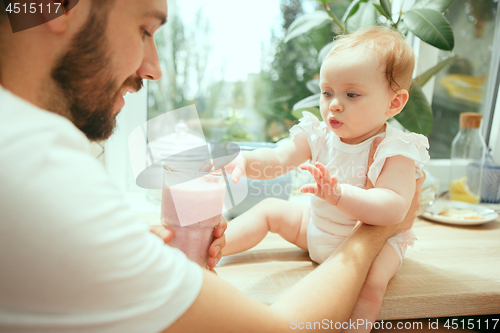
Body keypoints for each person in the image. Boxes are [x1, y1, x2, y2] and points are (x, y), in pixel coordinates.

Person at [0, 1, 424, 332]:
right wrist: (376, 231)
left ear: (393, 103)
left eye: (352, 95)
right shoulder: (37, 174)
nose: (155, 69)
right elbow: (278, 330)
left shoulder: (32, 153)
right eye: (144, 29)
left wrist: (147, 255)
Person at [218, 26, 430, 332]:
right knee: (270, 211)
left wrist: (339, 195)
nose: (334, 104)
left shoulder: (395, 149)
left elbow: (395, 207)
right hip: (316, 229)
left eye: (351, 94)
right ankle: (216, 248)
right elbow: (278, 158)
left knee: (372, 286)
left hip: (369, 253)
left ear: (394, 103)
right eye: (327, 92)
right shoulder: (319, 135)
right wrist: (245, 160)